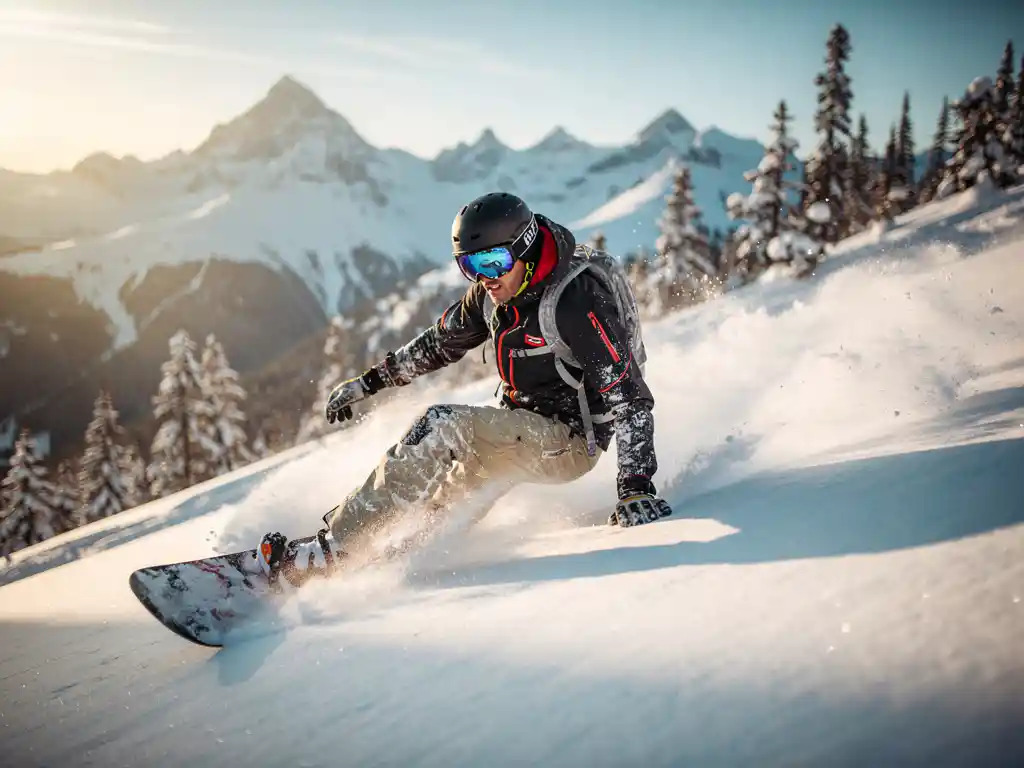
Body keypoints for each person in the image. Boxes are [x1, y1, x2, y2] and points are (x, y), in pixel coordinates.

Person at [256, 192, 672, 587]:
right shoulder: (493, 294)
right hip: (516, 429)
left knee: (442, 426)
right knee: (437, 511)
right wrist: (370, 382)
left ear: (525, 248)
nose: (484, 277)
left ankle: (332, 549)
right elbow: (438, 344)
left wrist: (634, 487)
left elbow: (629, 396)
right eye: (470, 266)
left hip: (570, 441)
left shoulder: (574, 301)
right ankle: (369, 562)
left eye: (493, 261)